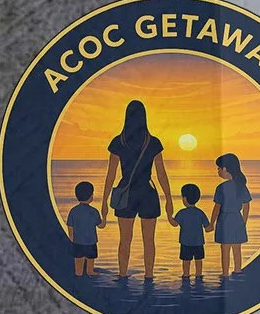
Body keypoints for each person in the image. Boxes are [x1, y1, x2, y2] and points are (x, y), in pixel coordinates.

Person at [101, 99, 173, 278]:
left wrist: (104, 202)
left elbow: (110, 176)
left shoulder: (119, 142)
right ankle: (149, 277)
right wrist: (169, 200)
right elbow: (161, 175)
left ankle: (122, 275)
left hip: (126, 194)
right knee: (149, 241)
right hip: (148, 194)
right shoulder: (153, 143)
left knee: (125, 240)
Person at [213, 153, 252, 275]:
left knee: (225, 249)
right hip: (237, 219)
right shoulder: (241, 186)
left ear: (224, 169)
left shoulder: (221, 188)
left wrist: (211, 223)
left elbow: (217, 208)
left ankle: (225, 273)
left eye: (218, 168)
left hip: (224, 220)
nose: (218, 171)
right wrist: (244, 222)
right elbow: (246, 206)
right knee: (237, 249)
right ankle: (237, 270)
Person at [170, 184, 212, 280]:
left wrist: (169, 216)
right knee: (198, 260)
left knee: (186, 261)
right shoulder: (200, 212)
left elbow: (175, 223)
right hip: (198, 242)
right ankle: (198, 275)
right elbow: (207, 227)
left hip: (185, 242)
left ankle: (186, 275)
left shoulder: (182, 213)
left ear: (184, 198)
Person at [65, 179, 102, 276]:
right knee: (90, 260)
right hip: (91, 242)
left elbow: (70, 227)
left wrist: (72, 240)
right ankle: (90, 272)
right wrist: (105, 217)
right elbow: (100, 225)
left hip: (78, 243)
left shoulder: (73, 211)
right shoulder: (94, 211)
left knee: (78, 262)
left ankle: (78, 274)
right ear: (91, 196)